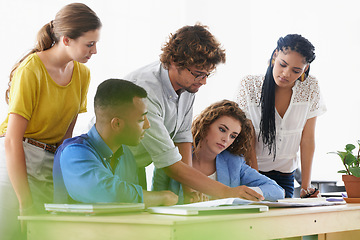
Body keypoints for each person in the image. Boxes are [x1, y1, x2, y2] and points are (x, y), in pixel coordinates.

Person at [125, 23, 264, 203]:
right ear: (175, 63)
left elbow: (182, 137)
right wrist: (226, 192)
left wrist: (189, 191)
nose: (204, 81)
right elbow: (169, 162)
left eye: (207, 74)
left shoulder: (187, 85)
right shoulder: (145, 90)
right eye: (199, 74)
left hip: (136, 164)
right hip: (110, 162)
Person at [0, 3, 101, 239]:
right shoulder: (31, 70)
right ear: (66, 40)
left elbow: (66, 136)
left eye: (96, 43)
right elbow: (12, 141)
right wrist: (25, 201)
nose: (95, 51)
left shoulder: (82, 74)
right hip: (16, 160)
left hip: (49, 163)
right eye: (89, 44)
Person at [53, 79, 178, 207]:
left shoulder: (127, 156)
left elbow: (136, 205)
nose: (148, 125)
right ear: (117, 124)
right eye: (141, 119)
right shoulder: (73, 152)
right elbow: (107, 193)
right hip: (76, 227)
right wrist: (163, 197)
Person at [236, 34, 326, 198]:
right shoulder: (250, 85)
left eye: (296, 70)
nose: (286, 74)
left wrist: (306, 187)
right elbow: (248, 139)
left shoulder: (310, 87)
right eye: (283, 64)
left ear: (305, 69)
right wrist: (257, 180)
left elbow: (307, 140)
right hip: (251, 174)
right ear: (275, 56)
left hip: (286, 176)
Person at [153, 100, 285, 203]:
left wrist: (244, 193)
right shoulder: (174, 158)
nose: (226, 139)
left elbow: (277, 190)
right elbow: (157, 200)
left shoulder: (234, 163)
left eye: (233, 136)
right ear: (205, 125)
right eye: (222, 130)